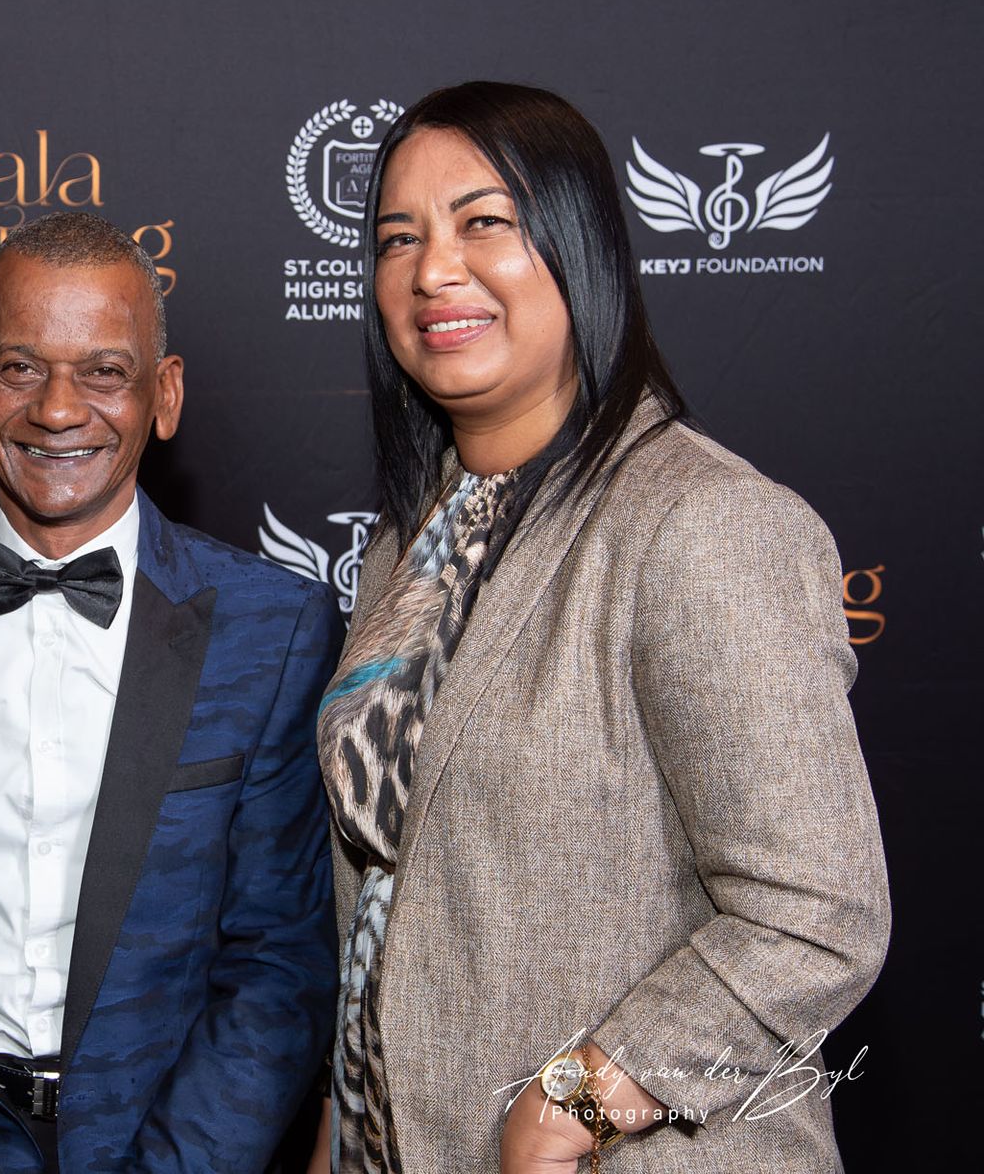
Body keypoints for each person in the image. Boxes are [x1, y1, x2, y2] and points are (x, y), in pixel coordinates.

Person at [311, 82, 890, 1173]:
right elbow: (385, 896)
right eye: (398, 238)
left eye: (484, 221)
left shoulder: (701, 521)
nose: (433, 270)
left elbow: (817, 912)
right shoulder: (408, 539)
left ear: (578, 246)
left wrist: (576, 1099)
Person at [0, 211, 342, 1172]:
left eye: (105, 371)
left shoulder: (274, 629)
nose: (58, 409)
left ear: (164, 394)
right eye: (20, 367)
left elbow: (279, 962)